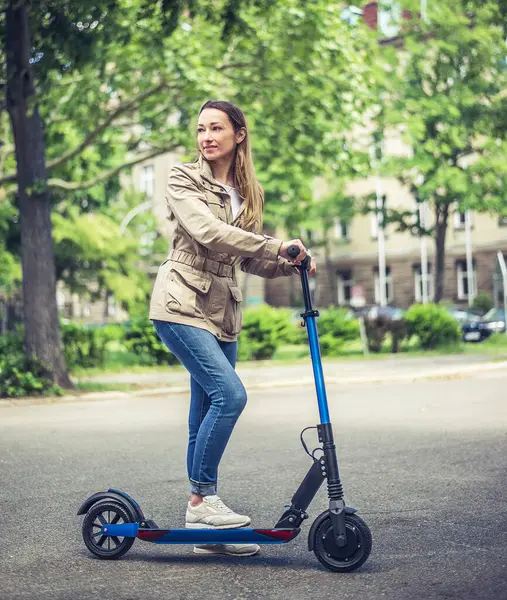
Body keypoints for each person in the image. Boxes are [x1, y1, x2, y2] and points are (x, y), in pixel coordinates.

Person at [149, 100, 316, 557]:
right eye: (201, 128)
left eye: (216, 128)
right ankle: (204, 501)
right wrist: (277, 244)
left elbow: (247, 258)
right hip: (180, 301)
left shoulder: (249, 191)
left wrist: (291, 264)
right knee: (231, 394)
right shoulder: (183, 178)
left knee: (204, 411)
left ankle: (203, 524)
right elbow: (207, 232)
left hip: (223, 311)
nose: (206, 136)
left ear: (239, 134)